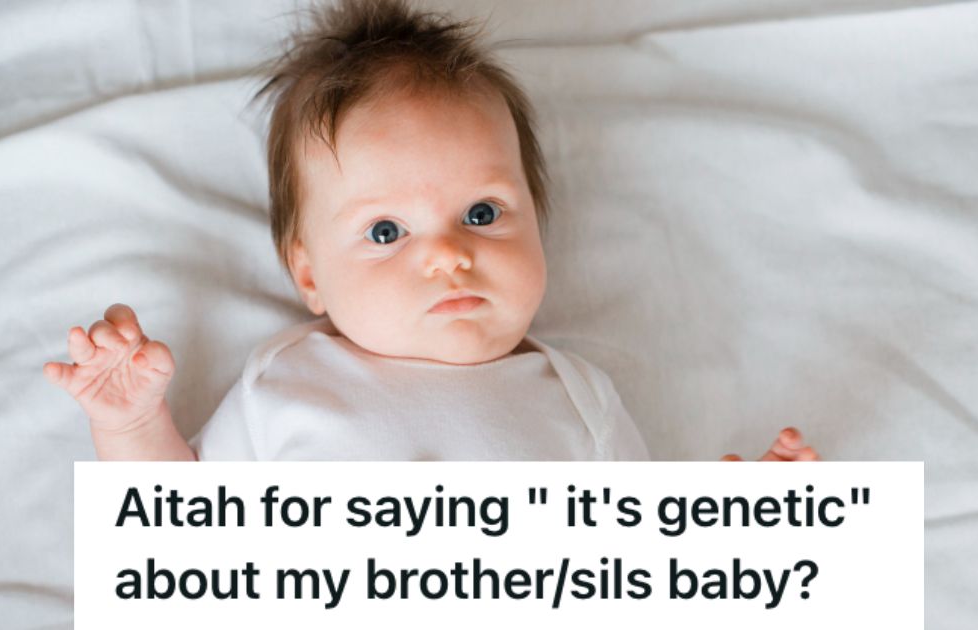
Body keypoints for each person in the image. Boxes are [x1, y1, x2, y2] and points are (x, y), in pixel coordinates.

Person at [42, 0, 820, 464]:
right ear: (309, 275)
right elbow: (178, 542)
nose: (448, 254)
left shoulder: (581, 399)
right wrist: (133, 423)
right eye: (386, 230)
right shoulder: (285, 385)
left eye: (482, 214)